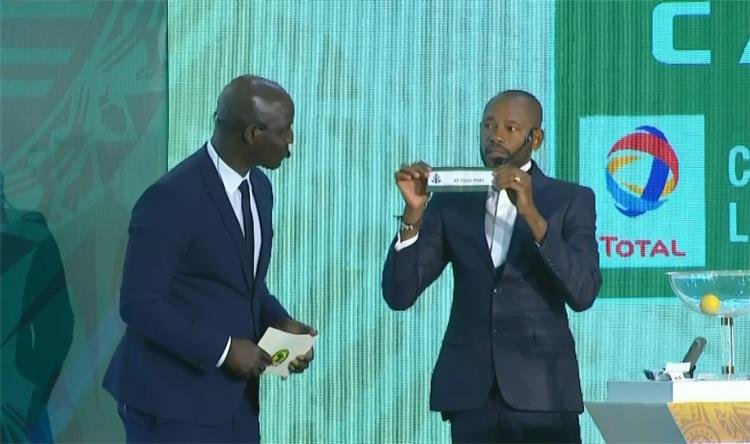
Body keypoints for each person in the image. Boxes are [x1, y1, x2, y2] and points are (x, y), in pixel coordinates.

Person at [104, 75, 316, 443]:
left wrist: (279, 321)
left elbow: (242, 283)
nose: (291, 139)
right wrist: (224, 350)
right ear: (253, 134)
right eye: (285, 130)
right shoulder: (171, 199)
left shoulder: (259, 188)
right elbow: (139, 304)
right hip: (170, 408)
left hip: (235, 407)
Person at [382, 90, 601, 443]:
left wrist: (532, 214)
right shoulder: (451, 203)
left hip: (543, 394)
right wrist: (413, 214)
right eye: (488, 126)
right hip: (472, 397)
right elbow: (399, 293)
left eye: (510, 128)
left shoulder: (570, 199)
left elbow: (584, 291)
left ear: (536, 138)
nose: (495, 136)